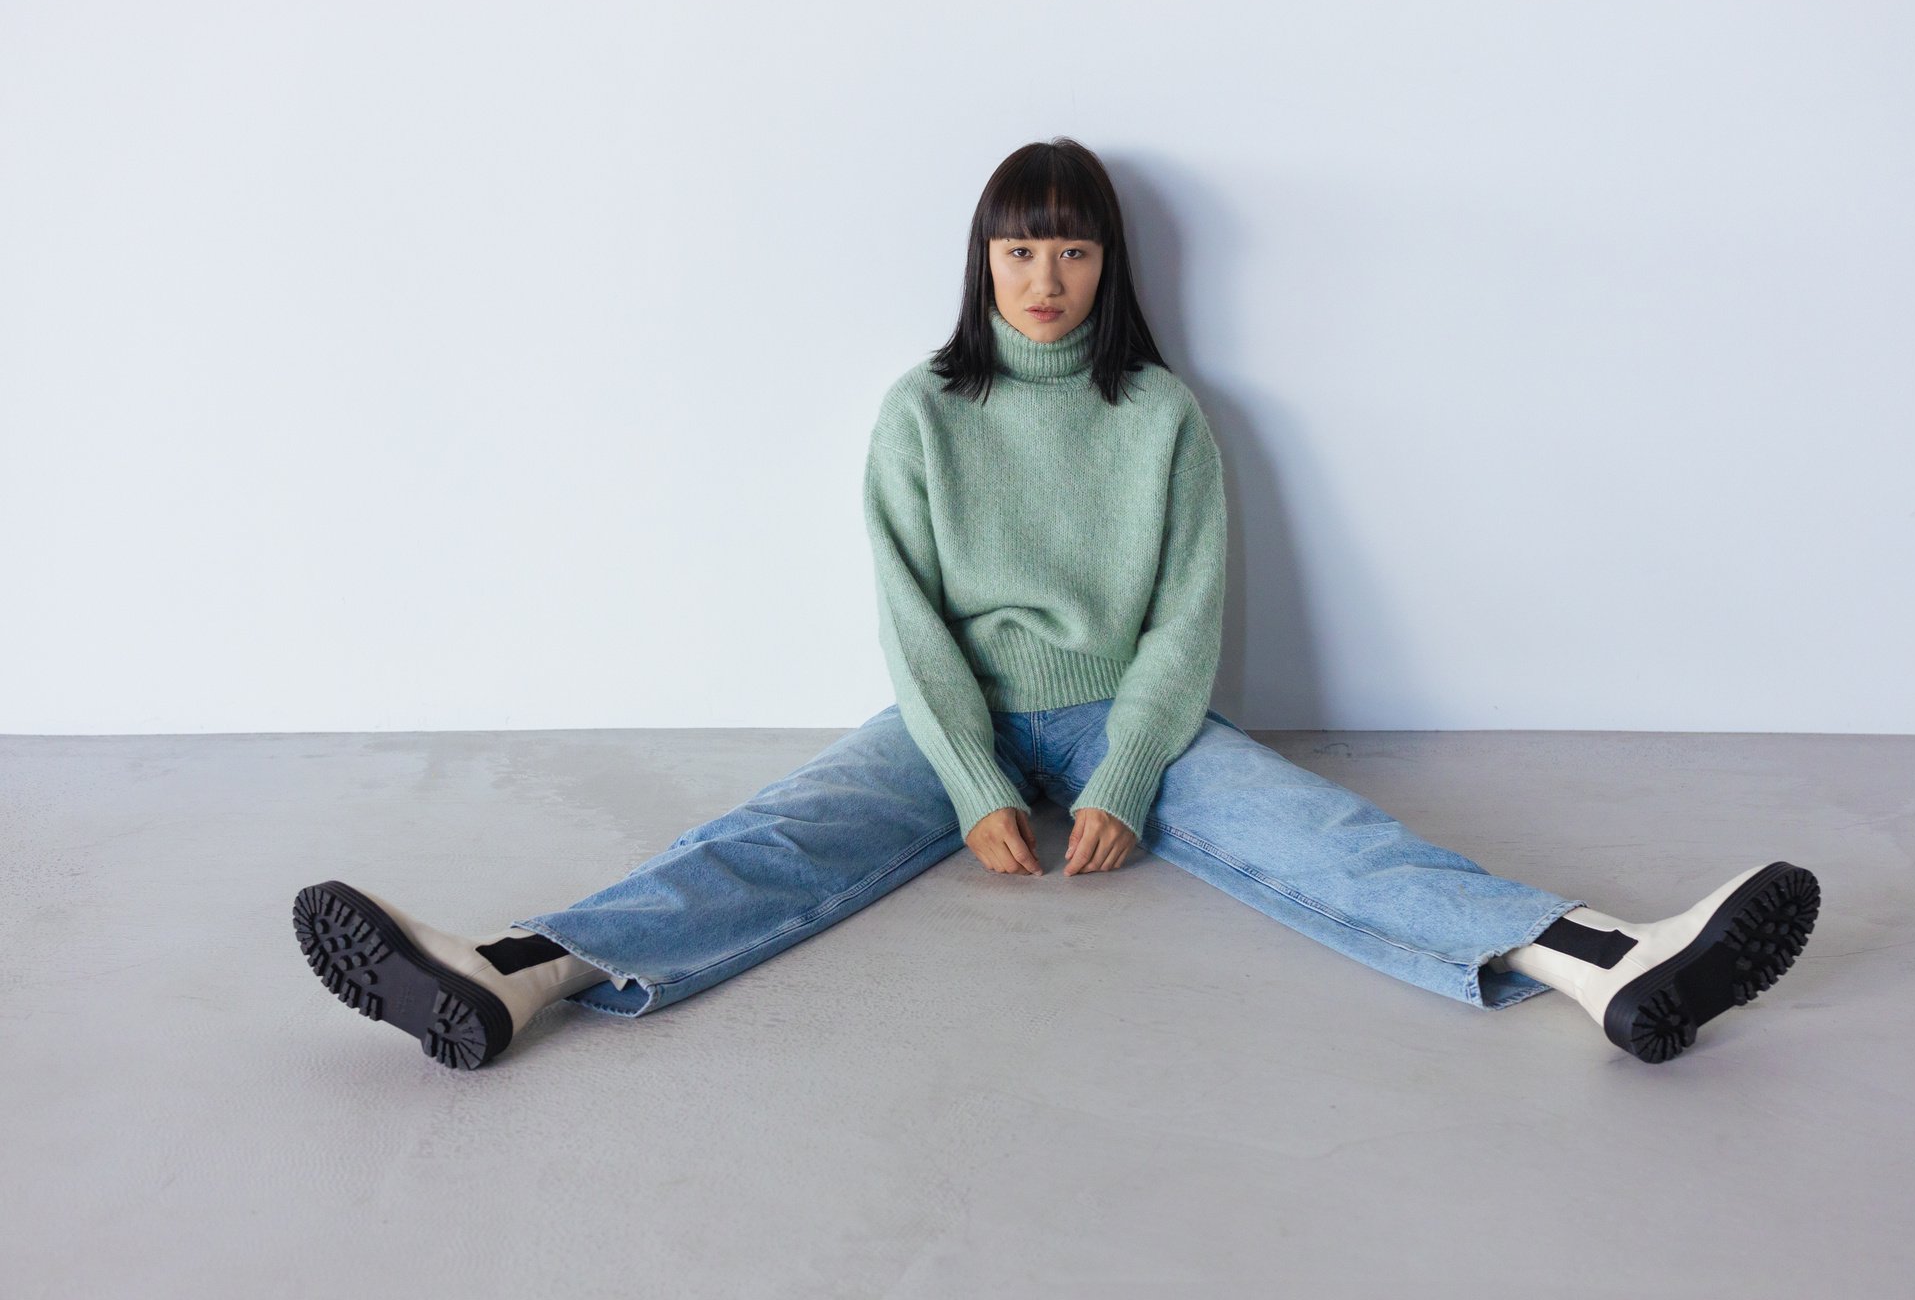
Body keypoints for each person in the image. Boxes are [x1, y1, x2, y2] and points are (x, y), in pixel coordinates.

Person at [293, 138, 1821, 1071]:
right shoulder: (919, 411)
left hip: (1127, 710)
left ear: (1108, 263)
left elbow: (1186, 618)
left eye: (1071, 246)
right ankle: (515, 973)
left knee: (1325, 832)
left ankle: (1602, 962)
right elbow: (913, 625)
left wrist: (1132, 765)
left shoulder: (1162, 414)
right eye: (1020, 247)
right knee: (774, 834)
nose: (1044, 274)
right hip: (955, 722)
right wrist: (971, 784)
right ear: (984, 258)